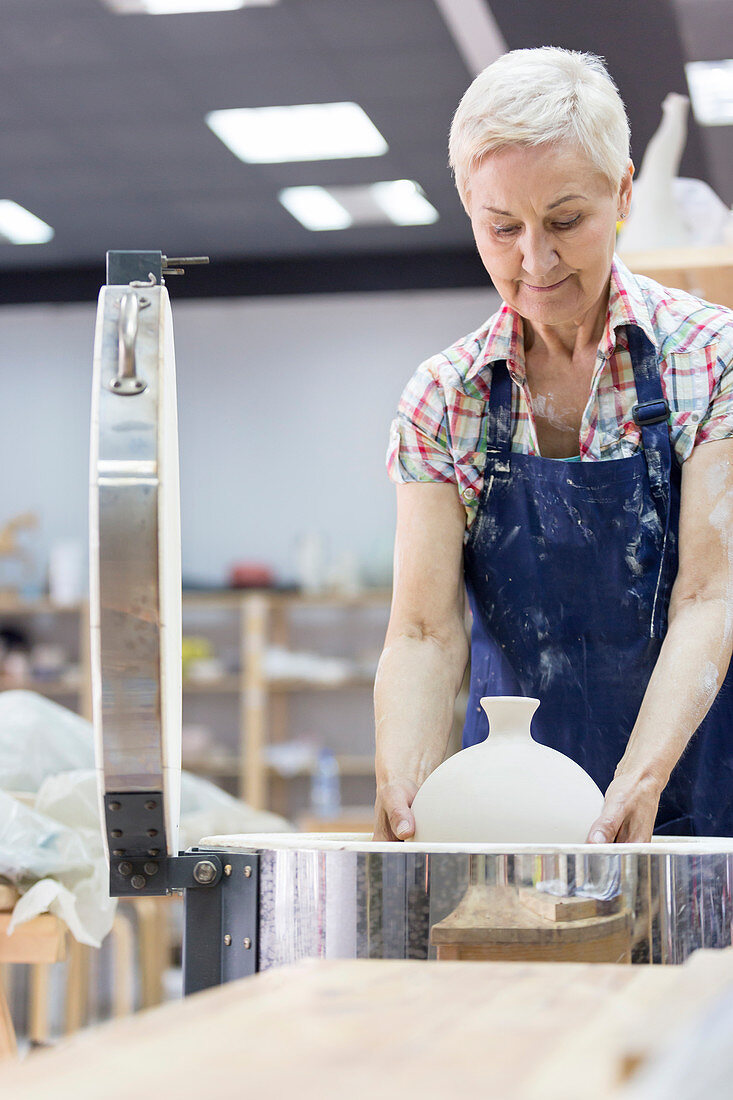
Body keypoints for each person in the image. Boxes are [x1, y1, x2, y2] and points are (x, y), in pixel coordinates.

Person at [374, 47, 733, 843]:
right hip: (511, 817)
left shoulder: (710, 360)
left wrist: (635, 784)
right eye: (501, 228)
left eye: (565, 220)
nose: (534, 262)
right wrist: (403, 785)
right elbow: (425, 633)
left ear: (623, 193)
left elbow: (709, 598)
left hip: (701, 791)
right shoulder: (444, 398)